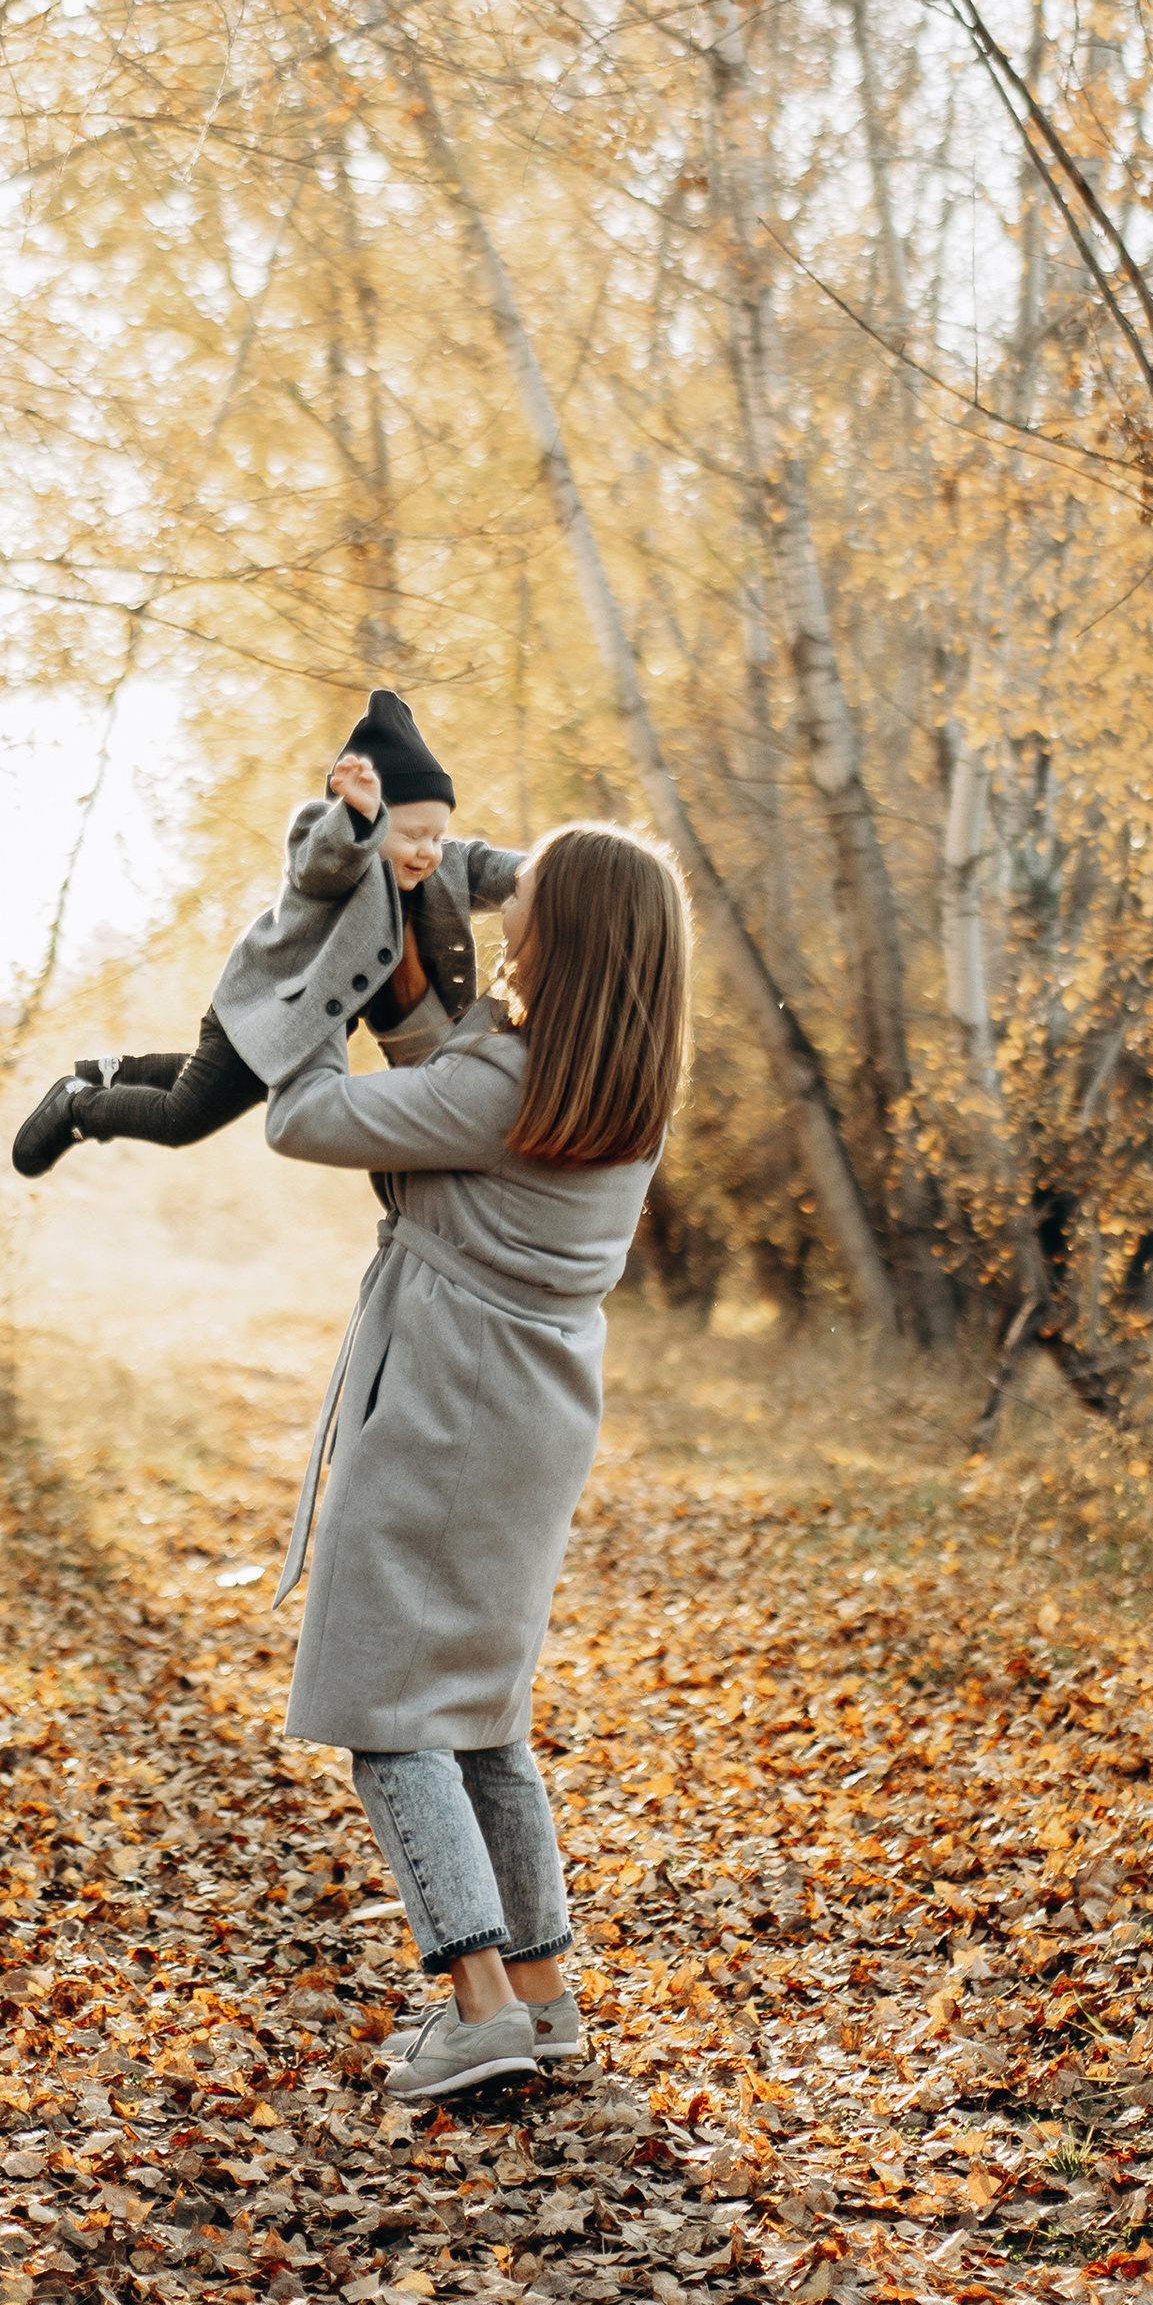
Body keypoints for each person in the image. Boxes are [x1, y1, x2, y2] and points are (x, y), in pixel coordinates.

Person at [263, 822, 690, 2105]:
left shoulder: (504, 1084)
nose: (506, 906)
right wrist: (420, 867)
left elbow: (303, 1114)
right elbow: (444, 1083)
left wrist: (318, 960)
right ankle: (543, 1992)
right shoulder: (610, 1088)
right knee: (482, 1716)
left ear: (567, 936)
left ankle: (480, 2002)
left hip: (449, 1412)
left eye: (526, 895)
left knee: (388, 1716)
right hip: (533, 1417)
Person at [8, 687, 523, 1176]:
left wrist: (547, 869)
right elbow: (322, 860)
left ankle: (112, 1073)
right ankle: (78, 1105)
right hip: (261, 1007)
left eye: (437, 836)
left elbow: (493, 868)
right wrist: (357, 818)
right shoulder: (336, 848)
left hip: (294, 1029)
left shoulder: (439, 865)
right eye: (412, 835)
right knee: (181, 1117)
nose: (428, 851)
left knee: (221, 1084)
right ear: (372, 821)